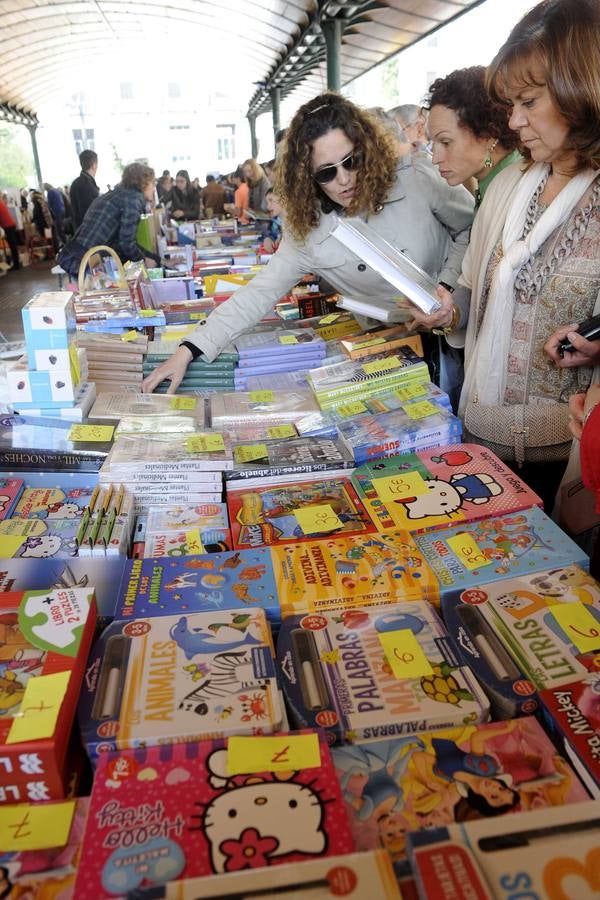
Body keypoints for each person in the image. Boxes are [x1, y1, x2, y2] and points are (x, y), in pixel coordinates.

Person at [142, 91, 474, 395]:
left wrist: (444, 288)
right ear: (307, 177)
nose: (344, 179)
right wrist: (188, 350)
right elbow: (256, 296)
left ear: (368, 150)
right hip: (395, 349)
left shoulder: (414, 177)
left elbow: (472, 230)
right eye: (326, 173)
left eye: (351, 162)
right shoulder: (308, 230)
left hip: (464, 329)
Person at [409, 0, 600, 512]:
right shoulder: (509, 182)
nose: (514, 120)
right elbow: (476, 290)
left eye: (529, 101)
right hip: (482, 441)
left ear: (582, 89)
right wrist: (449, 309)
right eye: (511, 102)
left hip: (570, 458)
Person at [427, 67, 522, 206]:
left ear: (487, 136)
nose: (435, 159)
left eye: (446, 142)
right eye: (433, 143)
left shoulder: (515, 192)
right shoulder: (496, 181)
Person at [57, 162, 159, 277]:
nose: (154, 188)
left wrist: (155, 259)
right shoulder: (132, 200)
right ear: (143, 183)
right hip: (88, 262)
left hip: (77, 257)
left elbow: (126, 242)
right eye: (153, 183)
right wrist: (145, 260)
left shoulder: (115, 195)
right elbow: (127, 244)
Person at [69, 150, 99, 232]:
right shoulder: (87, 185)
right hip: (88, 232)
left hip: (79, 229)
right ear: (94, 165)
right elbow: (89, 213)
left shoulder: (76, 182)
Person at [0, 198, 20, 270]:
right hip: (10, 225)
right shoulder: (1, 201)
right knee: (13, 246)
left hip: (8, 226)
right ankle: (16, 263)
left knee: (13, 246)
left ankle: (16, 265)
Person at [44, 182, 65, 247]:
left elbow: (49, 204)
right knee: (62, 227)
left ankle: (64, 243)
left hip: (56, 212)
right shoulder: (56, 190)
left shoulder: (50, 192)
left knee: (58, 229)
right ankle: (64, 241)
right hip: (62, 210)